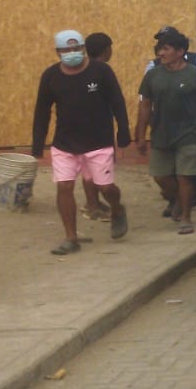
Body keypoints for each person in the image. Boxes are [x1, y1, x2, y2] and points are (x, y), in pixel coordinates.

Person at [30, 30, 131, 255]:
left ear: (84, 49)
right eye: (66, 50)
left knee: (106, 188)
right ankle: (71, 237)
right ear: (58, 52)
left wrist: (124, 131)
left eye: (76, 49)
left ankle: (116, 209)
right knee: (64, 187)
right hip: (65, 143)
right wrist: (37, 144)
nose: (72, 53)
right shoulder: (50, 77)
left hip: (98, 142)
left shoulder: (101, 71)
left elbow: (117, 102)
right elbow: (42, 111)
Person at [136, 27, 196, 236]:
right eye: (159, 50)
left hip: (189, 133)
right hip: (161, 133)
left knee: (185, 177)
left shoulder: (195, 75)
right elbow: (144, 105)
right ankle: (179, 199)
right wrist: (140, 135)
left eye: (166, 49)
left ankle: (185, 217)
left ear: (179, 51)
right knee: (160, 176)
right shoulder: (153, 76)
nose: (161, 54)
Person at [78, 32, 117, 221]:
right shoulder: (103, 70)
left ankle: (92, 203)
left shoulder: (80, 68)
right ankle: (95, 205)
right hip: (99, 129)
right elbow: (116, 100)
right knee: (100, 170)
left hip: (80, 128)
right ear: (107, 50)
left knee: (87, 167)